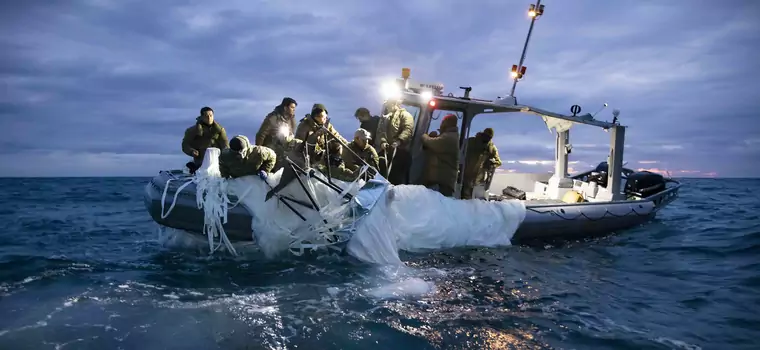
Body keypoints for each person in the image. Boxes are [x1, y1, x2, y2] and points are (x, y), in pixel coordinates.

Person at [374, 98, 414, 185]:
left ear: (395, 104)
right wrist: (382, 142)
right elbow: (381, 131)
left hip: (400, 151)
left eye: (388, 105)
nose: (387, 108)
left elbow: (408, 129)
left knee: (396, 176)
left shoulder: (406, 115)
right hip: (387, 150)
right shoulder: (385, 117)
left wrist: (399, 141)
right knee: (381, 170)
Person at [421, 114, 460, 197]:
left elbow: (432, 143)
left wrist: (424, 136)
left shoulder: (449, 137)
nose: (441, 123)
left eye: (443, 121)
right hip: (440, 181)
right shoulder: (448, 135)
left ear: (447, 123)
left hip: (442, 184)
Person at [182, 106, 229, 173]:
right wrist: (191, 151)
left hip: (217, 160)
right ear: (201, 117)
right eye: (206, 116)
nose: (209, 118)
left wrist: (227, 154)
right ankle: (193, 169)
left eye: (211, 115)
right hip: (201, 160)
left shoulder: (220, 130)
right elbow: (185, 144)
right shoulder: (192, 130)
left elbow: (225, 144)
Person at [461, 128, 502, 199]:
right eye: (486, 136)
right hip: (465, 176)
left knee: (475, 201)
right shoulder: (471, 142)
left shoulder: (491, 147)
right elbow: (460, 150)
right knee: (465, 197)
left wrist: (492, 163)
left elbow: (498, 162)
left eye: (489, 137)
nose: (487, 138)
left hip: (479, 180)